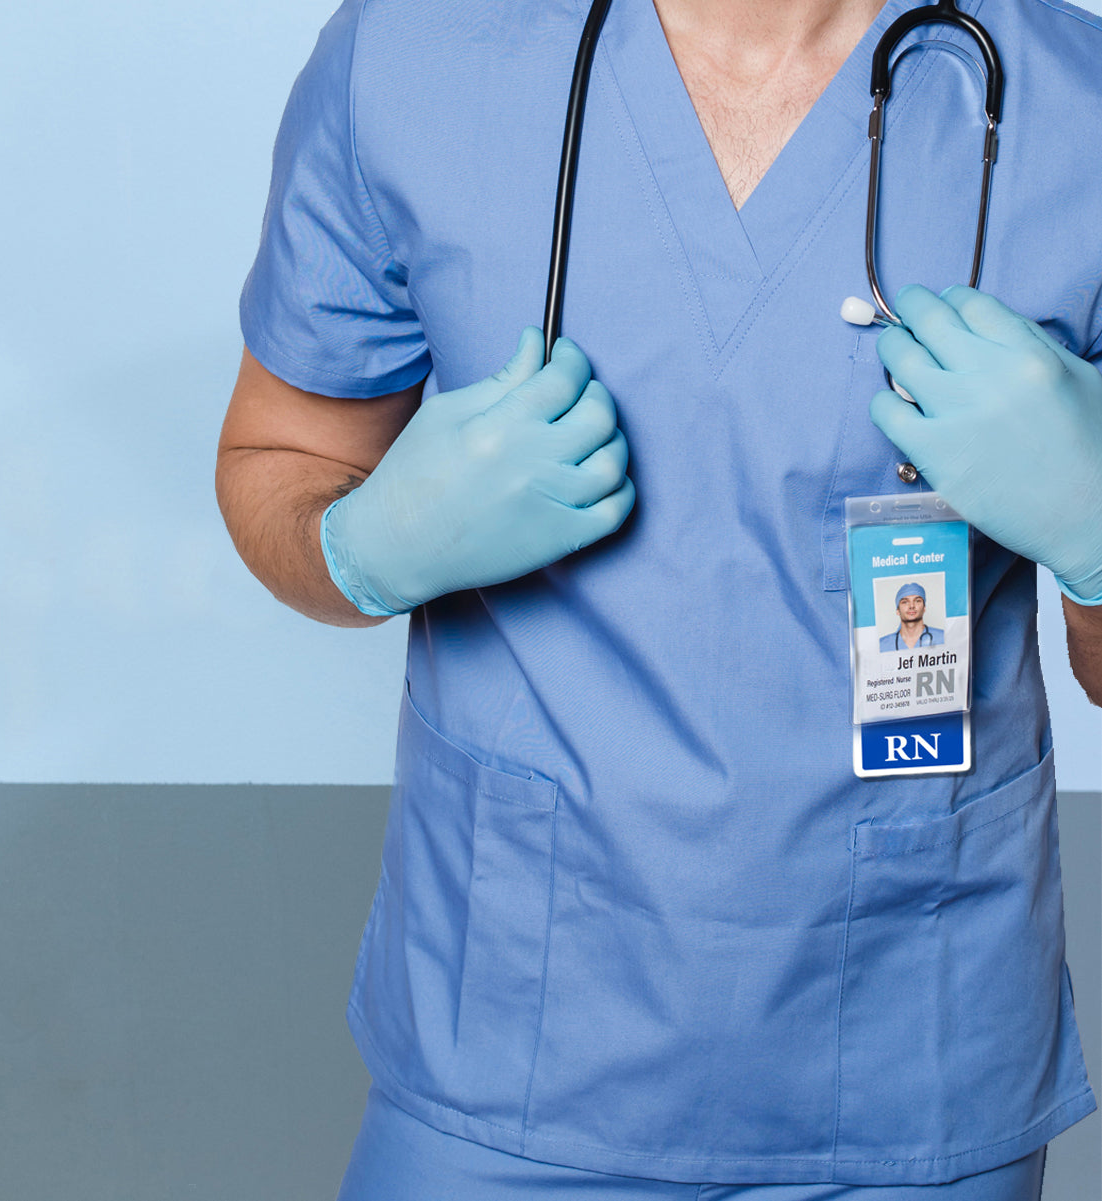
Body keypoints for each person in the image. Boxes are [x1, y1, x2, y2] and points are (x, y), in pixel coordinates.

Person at [215, 0, 1102, 1196]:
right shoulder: (414, 54)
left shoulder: (1076, 105)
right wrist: (370, 546)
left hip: (912, 1059)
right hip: (514, 1049)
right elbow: (277, 459)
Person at [878, 582, 944, 650]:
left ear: (924, 608)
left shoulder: (943, 637)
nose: (912, 606)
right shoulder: (882, 645)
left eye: (917, 601)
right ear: (897, 611)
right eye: (905, 602)